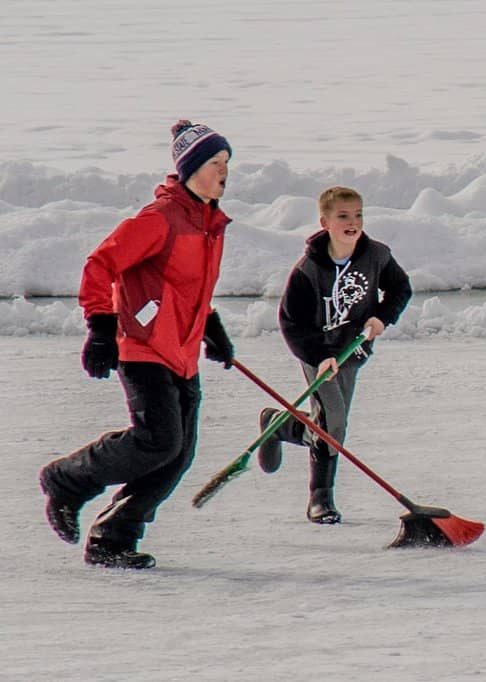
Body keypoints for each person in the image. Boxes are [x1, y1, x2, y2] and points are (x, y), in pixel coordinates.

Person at [39, 120, 235, 569]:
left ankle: (113, 536)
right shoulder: (159, 219)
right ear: (189, 169)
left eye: (226, 164)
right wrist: (101, 327)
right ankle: (67, 479)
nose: (223, 173)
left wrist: (212, 325)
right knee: (158, 441)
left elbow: (187, 287)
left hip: (181, 353)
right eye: (214, 163)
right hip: (143, 348)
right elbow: (100, 264)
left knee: (177, 455)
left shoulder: (209, 224)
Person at [257, 186, 412, 524]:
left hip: (353, 350)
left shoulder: (376, 255)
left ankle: (281, 426)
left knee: (330, 422)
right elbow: (291, 323)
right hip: (319, 353)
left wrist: (382, 317)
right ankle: (321, 498)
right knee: (334, 421)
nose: (353, 222)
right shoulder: (307, 271)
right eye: (343, 216)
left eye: (358, 215)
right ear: (325, 222)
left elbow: (400, 287)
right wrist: (317, 354)